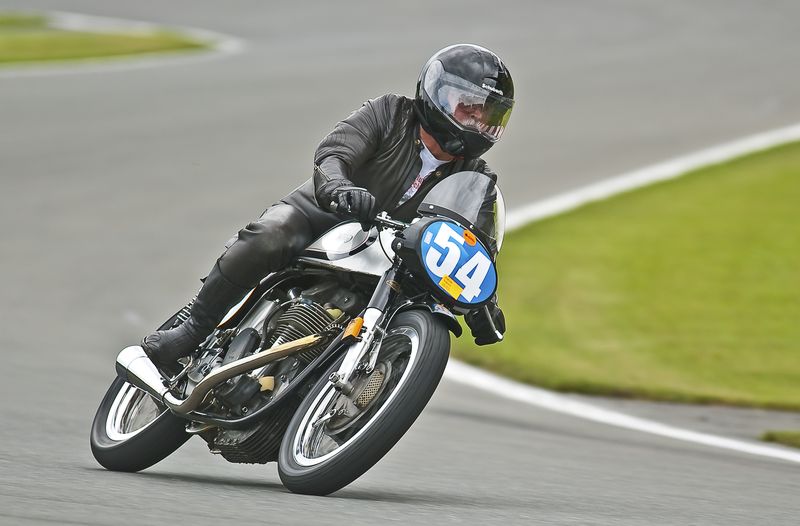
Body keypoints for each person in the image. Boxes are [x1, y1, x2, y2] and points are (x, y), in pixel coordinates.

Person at [142, 43, 514, 368]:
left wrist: (485, 306)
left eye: (490, 115)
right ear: (438, 93)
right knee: (272, 235)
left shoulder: (477, 182)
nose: (479, 120)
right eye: (470, 107)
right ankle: (193, 329)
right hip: (326, 215)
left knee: (412, 311)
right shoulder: (390, 112)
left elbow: (477, 250)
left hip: (393, 260)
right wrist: (340, 187)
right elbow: (334, 153)